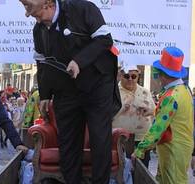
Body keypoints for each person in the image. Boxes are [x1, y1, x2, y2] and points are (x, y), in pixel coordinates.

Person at [19, 0, 121, 183]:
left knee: (99, 139)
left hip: (96, 86)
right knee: (68, 144)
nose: (27, 14)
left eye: (29, 8)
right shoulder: (38, 30)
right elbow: (42, 64)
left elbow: (105, 40)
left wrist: (78, 61)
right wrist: (44, 95)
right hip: (65, 91)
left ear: (47, 3)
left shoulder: (83, 9)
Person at [132, 47, 194, 184]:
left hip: (173, 149)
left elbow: (157, 129)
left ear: (163, 74)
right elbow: (175, 116)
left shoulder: (171, 96)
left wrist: (140, 150)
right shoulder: (184, 90)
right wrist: (153, 112)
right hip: (179, 148)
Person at [112, 65, 155, 168]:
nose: (130, 79)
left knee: (141, 172)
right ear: (120, 75)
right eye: (127, 76)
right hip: (120, 140)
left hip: (142, 140)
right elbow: (105, 115)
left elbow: (154, 111)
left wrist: (149, 111)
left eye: (133, 76)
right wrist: (122, 109)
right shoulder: (113, 92)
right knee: (121, 172)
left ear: (138, 76)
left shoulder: (145, 92)